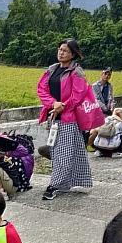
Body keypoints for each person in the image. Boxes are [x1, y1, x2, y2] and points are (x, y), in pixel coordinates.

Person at [37, 38, 93, 201]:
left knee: (63, 152)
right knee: (68, 150)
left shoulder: (76, 72)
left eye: (66, 51)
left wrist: (63, 105)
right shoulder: (52, 69)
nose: (61, 53)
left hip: (69, 118)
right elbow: (42, 89)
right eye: (60, 49)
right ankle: (70, 182)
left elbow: (79, 94)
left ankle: (54, 185)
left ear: (73, 54)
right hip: (54, 116)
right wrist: (53, 103)